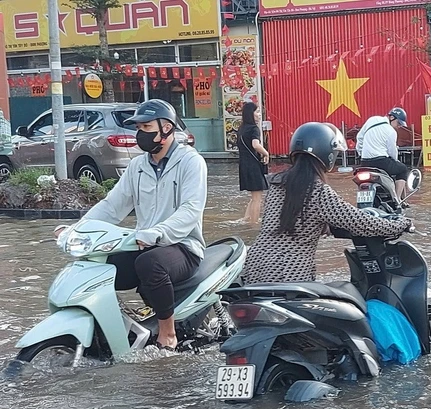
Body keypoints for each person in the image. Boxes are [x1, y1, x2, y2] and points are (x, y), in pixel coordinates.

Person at [53, 99, 207, 350]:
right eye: (138, 128)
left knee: (149, 263)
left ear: (167, 128)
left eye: (146, 127)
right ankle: (113, 330)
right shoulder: (137, 166)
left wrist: (157, 232)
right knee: (99, 266)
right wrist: (77, 229)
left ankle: (168, 333)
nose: (140, 133)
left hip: (183, 246)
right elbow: (112, 206)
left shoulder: (191, 162)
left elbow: (190, 210)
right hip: (143, 242)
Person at [243, 122, 412, 284]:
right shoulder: (317, 191)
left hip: (254, 266)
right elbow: (359, 222)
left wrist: (325, 227)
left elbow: (293, 221)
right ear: (327, 155)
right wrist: (401, 224)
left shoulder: (277, 183)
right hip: (289, 274)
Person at [356, 107, 410, 199]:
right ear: (392, 118)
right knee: (403, 169)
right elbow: (392, 152)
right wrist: (396, 161)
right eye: (398, 123)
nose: (399, 126)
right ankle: (397, 200)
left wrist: (361, 154)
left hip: (364, 162)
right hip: (381, 163)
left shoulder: (372, 120)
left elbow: (360, 137)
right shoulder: (391, 132)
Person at [238, 101, 270, 224]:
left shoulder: (241, 128)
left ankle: (246, 219)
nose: (259, 114)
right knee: (257, 198)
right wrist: (266, 153)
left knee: (253, 197)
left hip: (243, 165)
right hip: (253, 166)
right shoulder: (254, 129)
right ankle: (254, 224)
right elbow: (255, 145)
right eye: (257, 112)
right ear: (251, 114)